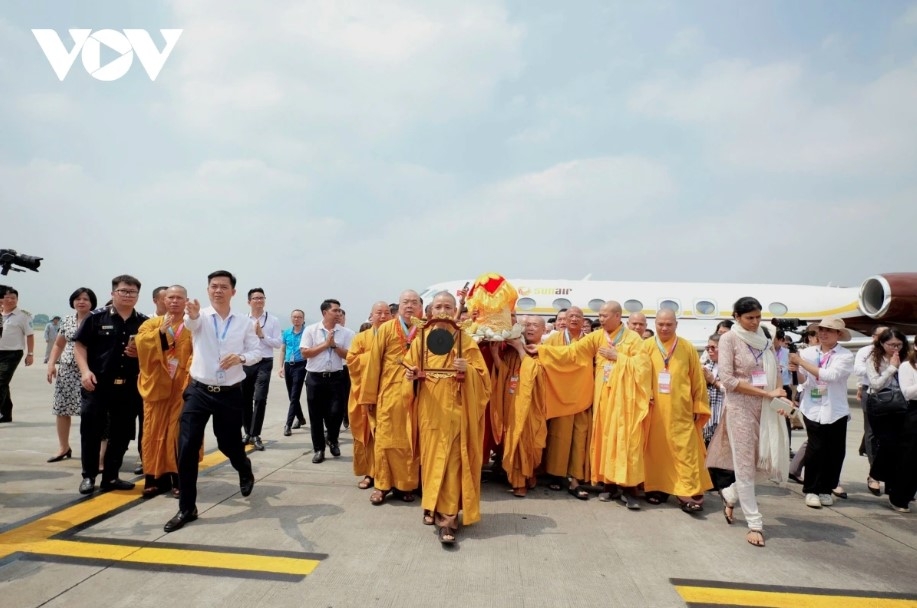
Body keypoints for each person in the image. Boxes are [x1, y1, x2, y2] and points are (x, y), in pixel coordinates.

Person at [164, 270, 259, 533]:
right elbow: (191, 326)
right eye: (213, 286)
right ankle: (187, 508)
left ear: (233, 292)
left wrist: (240, 358)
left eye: (223, 286)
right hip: (199, 390)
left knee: (228, 443)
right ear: (208, 290)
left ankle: (244, 467)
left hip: (229, 392)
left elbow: (255, 352)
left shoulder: (244, 322)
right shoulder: (199, 316)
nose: (218, 290)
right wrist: (192, 315)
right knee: (187, 446)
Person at [533, 301, 650, 508]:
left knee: (626, 442)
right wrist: (541, 351)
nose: (601, 319)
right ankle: (610, 485)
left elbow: (644, 368)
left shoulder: (633, 339)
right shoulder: (597, 337)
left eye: (605, 316)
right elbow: (573, 352)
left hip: (626, 401)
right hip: (603, 399)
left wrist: (619, 357)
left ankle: (629, 489)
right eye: (600, 315)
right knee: (605, 440)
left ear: (617, 316)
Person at [404, 291, 491, 545]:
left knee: (452, 465)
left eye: (447, 306)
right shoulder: (420, 340)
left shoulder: (465, 340)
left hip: (457, 414)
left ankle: (448, 520)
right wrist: (411, 378)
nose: (442, 311)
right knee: (431, 462)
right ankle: (431, 505)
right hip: (430, 412)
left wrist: (469, 371)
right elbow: (408, 372)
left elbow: (484, 381)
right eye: (438, 306)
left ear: (456, 310)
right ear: (430, 312)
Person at [707, 297, 790, 548]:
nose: (755, 322)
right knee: (744, 465)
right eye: (749, 318)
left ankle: (730, 494)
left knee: (764, 463)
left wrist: (781, 398)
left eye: (757, 317)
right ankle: (755, 523)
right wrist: (766, 394)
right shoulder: (729, 339)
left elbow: (775, 373)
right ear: (737, 317)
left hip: (765, 409)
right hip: (740, 408)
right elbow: (729, 380)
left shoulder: (765, 340)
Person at [74, 275, 148, 494]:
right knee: (91, 431)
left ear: (137, 296)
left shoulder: (143, 323)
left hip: (128, 387)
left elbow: (153, 354)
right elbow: (80, 346)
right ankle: (88, 476)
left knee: (122, 433)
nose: (127, 295)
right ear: (113, 293)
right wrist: (85, 372)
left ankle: (111, 477)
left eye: (132, 292)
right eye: (123, 291)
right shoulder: (95, 318)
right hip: (97, 385)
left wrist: (140, 353)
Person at [643, 309, 713, 512]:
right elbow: (636, 375)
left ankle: (688, 490)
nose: (664, 328)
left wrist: (698, 406)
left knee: (685, 451)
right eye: (660, 324)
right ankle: (658, 487)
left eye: (669, 324)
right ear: (654, 324)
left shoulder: (686, 347)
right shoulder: (646, 346)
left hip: (681, 410)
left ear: (676, 325)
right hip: (654, 410)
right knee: (656, 452)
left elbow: (697, 380)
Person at [359, 291, 422, 503]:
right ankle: (382, 485)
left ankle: (406, 486)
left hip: (416, 394)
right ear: (400, 306)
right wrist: (369, 397)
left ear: (420, 307)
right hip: (388, 394)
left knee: (409, 442)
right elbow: (374, 363)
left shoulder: (425, 329)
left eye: (414, 302)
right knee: (384, 441)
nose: (410, 306)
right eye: (406, 302)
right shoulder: (386, 328)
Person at [788, 317, 854, 509]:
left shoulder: (845, 355)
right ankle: (811, 489)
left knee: (835, 451)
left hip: (835, 409)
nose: (823, 333)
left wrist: (800, 361)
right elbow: (805, 381)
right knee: (815, 449)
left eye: (829, 330)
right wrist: (796, 369)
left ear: (838, 334)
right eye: (821, 330)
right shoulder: (808, 352)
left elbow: (830, 376)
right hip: (813, 407)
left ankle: (826, 488)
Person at [135, 285, 193, 498]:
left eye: (179, 297)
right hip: (156, 387)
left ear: (186, 301)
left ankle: (178, 479)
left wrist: (189, 378)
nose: (175, 301)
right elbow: (141, 345)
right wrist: (159, 333)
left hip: (181, 387)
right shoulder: (150, 324)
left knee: (177, 434)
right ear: (163, 300)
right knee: (152, 433)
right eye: (171, 297)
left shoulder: (192, 325)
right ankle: (153, 478)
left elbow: (198, 352)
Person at [491, 316, 548, 497]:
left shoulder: (545, 351)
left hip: (532, 407)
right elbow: (505, 373)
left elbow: (535, 373)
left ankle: (528, 473)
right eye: (525, 325)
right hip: (512, 403)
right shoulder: (510, 353)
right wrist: (494, 354)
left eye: (534, 325)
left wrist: (521, 349)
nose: (529, 328)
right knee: (514, 439)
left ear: (543, 329)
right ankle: (518, 481)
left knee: (531, 442)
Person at [541, 306, 593, 498]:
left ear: (583, 321)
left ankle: (575, 479)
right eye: (570, 316)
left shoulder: (589, 340)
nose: (573, 319)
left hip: (582, 393)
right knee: (559, 435)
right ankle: (556, 474)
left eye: (578, 316)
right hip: (560, 394)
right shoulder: (554, 338)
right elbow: (547, 360)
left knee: (580, 437)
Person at [300, 299, 354, 463]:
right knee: (316, 416)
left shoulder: (346, 333)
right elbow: (305, 353)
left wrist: (334, 346)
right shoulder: (311, 330)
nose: (338, 313)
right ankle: (319, 449)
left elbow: (348, 356)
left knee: (336, 412)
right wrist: (325, 344)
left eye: (339, 311)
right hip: (315, 378)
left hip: (336, 378)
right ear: (325, 313)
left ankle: (332, 438)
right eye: (335, 310)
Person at [46, 288, 96, 462]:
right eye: (77, 299)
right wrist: (52, 364)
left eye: (85, 299)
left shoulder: (96, 319)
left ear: (92, 302)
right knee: (62, 409)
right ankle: (63, 447)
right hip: (67, 370)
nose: (81, 302)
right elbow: (59, 345)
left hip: (89, 371)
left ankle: (92, 452)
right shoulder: (67, 320)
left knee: (90, 413)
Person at [345, 301, 392, 489]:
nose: (383, 316)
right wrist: (375, 356)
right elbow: (352, 361)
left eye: (387, 313)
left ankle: (387, 476)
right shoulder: (361, 337)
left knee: (386, 437)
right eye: (379, 313)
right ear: (371, 316)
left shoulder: (394, 337)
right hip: (363, 393)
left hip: (387, 394)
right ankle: (368, 474)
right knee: (365, 436)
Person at [864, 328, 910, 509]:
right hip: (880, 404)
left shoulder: (907, 358)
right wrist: (892, 367)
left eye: (899, 344)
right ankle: (875, 475)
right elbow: (875, 384)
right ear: (882, 344)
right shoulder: (873, 358)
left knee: (900, 446)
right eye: (891, 345)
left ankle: (893, 485)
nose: (895, 348)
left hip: (902, 404)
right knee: (886, 442)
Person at [241, 288, 282, 450]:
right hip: (247, 361)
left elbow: (278, 343)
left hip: (264, 362)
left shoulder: (273, 320)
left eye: (261, 298)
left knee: (260, 398)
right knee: (245, 399)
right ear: (249, 301)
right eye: (255, 298)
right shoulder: (243, 320)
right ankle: (247, 433)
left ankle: (256, 434)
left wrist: (262, 335)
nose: (259, 301)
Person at [854, 325, 889, 494]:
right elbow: (858, 370)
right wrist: (881, 372)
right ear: (873, 336)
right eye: (881, 335)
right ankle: (874, 474)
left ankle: (890, 477)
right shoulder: (865, 351)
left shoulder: (895, 352)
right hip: (872, 393)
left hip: (893, 396)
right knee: (871, 433)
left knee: (891, 435)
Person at [0, 288, 35, 424]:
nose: (9, 300)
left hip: (12, 353)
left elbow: (30, 335)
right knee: (3, 383)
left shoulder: (23, 315)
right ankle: (7, 413)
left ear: (17, 299)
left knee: (1, 382)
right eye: (6, 297)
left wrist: (30, 354)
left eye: (13, 297)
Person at [894, 337, 917, 513]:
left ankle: (910, 492)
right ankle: (900, 497)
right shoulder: (907, 366)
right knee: (909, 457)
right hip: (913, 412)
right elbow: (907, 393)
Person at [280, 309, 307, 437]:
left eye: (299, 317)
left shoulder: (307, 333)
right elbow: (283, 350)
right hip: (288, 365)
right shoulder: (286, 333)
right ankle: (301, 418)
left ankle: (288, 424)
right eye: (294, 317)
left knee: (295, 395)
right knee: (291, 395)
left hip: (301, 365)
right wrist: (281, 367)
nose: (296, 319)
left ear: (303, 319)